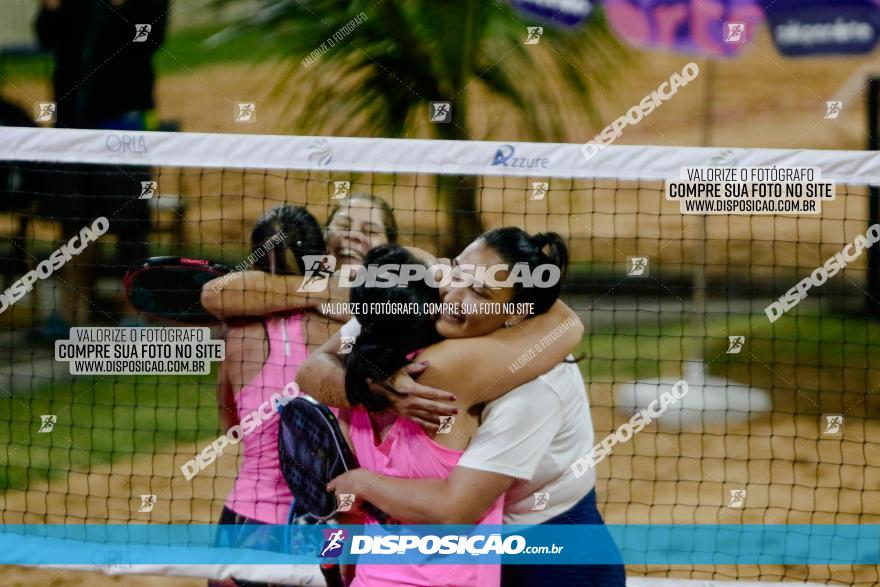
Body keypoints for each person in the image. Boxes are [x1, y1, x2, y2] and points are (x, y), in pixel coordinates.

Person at [300, 227, 626, 586]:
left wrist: (361, 485)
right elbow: (313, 367)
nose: (452, 295)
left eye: (479, 291)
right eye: (456, 273)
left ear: (516, 313)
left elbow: (454, 508)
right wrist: (373, 385)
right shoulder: (417, 314)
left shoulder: (534, 387)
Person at [210, 205, 332, 587]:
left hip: (245, 520)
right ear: (322, 258)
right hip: (319, 526)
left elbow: (231, 427)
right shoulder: (340, 325)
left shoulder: (238, 333)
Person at [34, 0, 169, 335]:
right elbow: (46, 38)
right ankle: (69, 314)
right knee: (73, 224)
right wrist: (51, 8)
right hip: (72, 128)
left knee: (130, 225)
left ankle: (134, 312)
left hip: (123, 127)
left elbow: (149, 39)